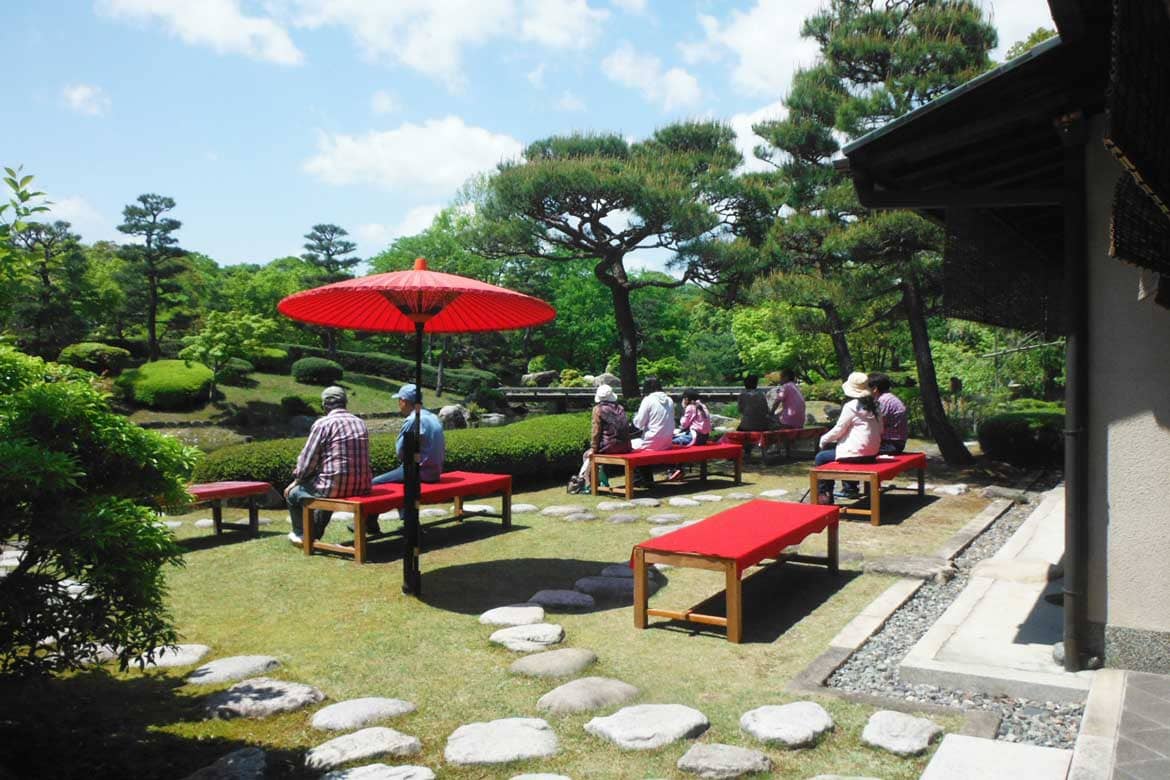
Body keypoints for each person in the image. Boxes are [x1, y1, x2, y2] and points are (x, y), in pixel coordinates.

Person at [284, 385, 371, 544]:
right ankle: (314, 533)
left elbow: (307, 461)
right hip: (362, 486)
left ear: (324, 405)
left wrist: (297, 480)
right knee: (328, 485)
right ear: (345, 403)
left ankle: (301, 534)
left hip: (334, 487)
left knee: (292, 494)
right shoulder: (360, 423)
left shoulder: (323, 424)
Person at [364, 383, 446, 534]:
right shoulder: (433, 417)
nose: (398, 404)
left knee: (375, 483)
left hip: (419, 472)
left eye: (399, 400)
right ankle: (409, 522)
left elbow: (401, 451)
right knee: (402, 483)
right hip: (435, 472)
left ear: (405, 401)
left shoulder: (413, 420)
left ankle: (369, 524)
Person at [813, 371, 883, 505]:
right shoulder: (876, 406)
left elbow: (838, 430)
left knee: (821, 457)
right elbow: (880, 430)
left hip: (855, 455)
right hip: (872, 453)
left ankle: (824, 496)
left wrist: (823, 440)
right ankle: (848, 488)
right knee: (834, 451)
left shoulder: (851, 406)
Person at [571, 383, 632, 492]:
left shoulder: (598, 409)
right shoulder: (620, 408)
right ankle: (599, 482)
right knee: (593, 457)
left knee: (587, 455)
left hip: (610, 447)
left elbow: (596, 432)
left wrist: (594, 448)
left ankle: (589, 485)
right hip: (626, 446)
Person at [631, 376, 674, 488]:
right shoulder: (669, 400)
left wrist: (634, 417)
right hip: (668, 442)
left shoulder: (648, 400)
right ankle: (647, 479)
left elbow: (639, 423)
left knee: (631, 445)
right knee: (643, 445)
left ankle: (640, 479)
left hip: (652, 441)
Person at [667, 388, 711, 482]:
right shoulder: (702, 405)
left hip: (694, 437)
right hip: (704, 437)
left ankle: (675, 469)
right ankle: (678, 469)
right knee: (676, 441)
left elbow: (684, 424)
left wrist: (684, 409)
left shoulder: (691, 407)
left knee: (669, 443)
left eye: (684, 398)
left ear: (686, 399)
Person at [868, 372, 909, 454]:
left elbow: (874, 425)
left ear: (875, 389)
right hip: (895, 443)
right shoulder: (889, 398)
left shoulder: (883, 401)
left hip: (890, 444)